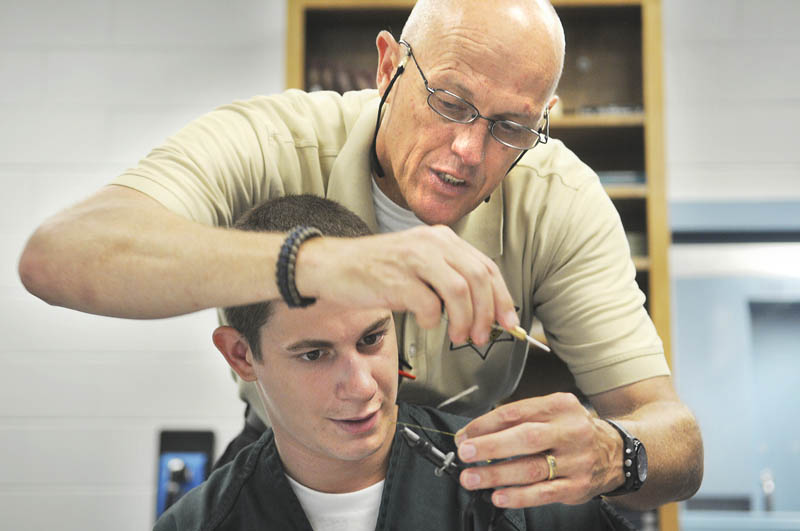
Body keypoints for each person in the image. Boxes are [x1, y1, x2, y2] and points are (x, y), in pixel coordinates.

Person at [18, 0, 702, 510]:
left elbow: (676, 439)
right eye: (451, 101)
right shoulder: (275, 142)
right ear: (387, 67)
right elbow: (60, 256)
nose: (469, 150)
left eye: (511, 127)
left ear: (543, 118)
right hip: (284, 461)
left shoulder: (560, 199)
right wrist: (318, 264)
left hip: (459, 482)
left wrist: (620, 452)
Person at [154, 194, 635, 531]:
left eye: (371, 339)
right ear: (242, 355)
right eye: (315, 354)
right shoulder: (196, 524)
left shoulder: (526, 493)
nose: (363, 386)